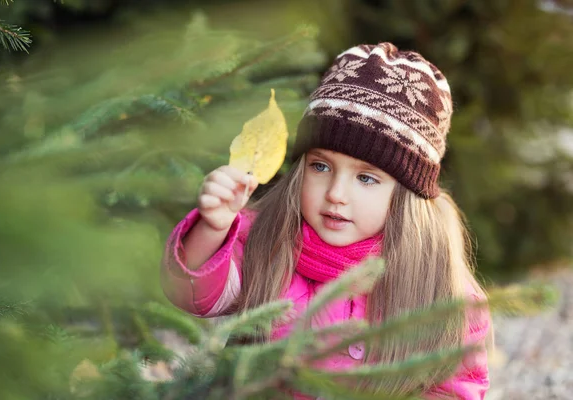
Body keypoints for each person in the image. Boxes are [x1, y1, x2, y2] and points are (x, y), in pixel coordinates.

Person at [161, 42, 493, 399]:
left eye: (366, 178)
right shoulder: (266, 241)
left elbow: (454, 388)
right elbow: (191, 295)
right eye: (320, 166)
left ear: (407, 195)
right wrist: (213, 227)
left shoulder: (438, 283)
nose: (336, 193)